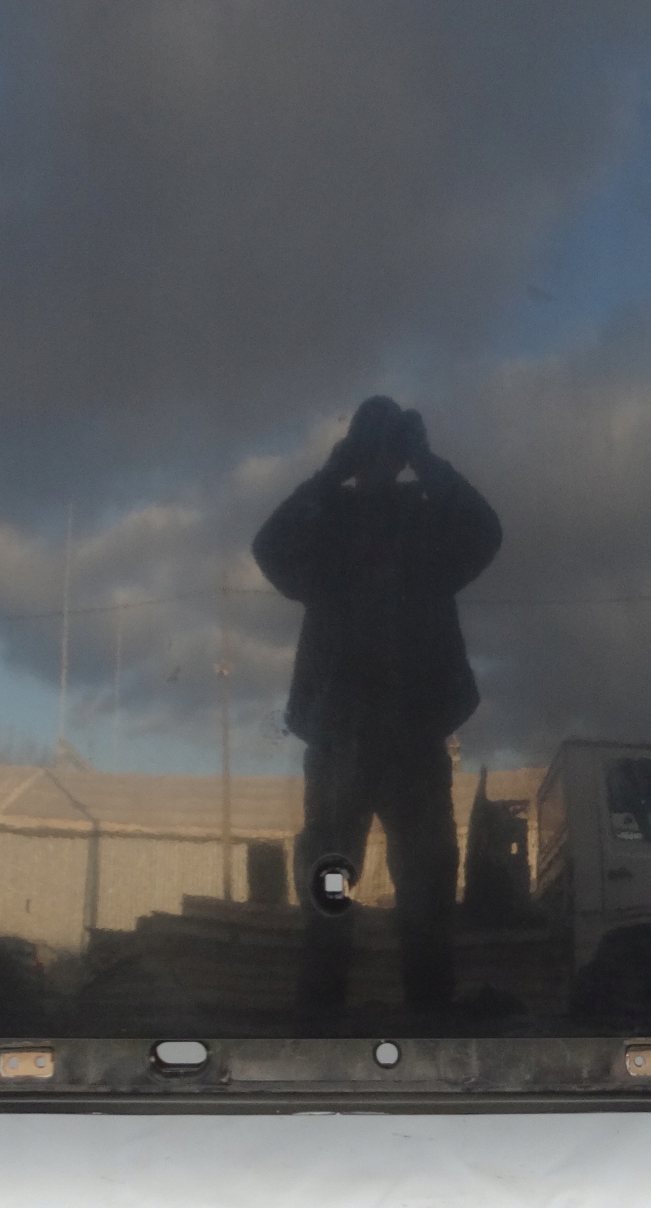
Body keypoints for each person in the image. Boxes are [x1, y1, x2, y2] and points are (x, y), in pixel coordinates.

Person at [252, 395, 502, 1013]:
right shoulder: (334, 520)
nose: (381, 462)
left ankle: (417, 1016)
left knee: (421, 891)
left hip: (403, 739)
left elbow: (485, 532)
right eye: (376, 450)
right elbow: (269, 548)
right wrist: (334, 474)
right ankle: (328, 1014)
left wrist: (423, 463)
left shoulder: (421, 519)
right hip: (348, 740)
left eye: (388, 450)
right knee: (336, 889)